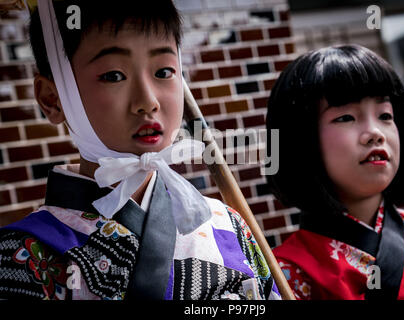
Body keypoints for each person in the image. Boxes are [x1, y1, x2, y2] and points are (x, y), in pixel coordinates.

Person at [0, 0, 280, 300]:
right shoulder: (20, 254)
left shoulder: (229, 225)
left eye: (163, 72)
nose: (148, 101)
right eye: (114, 75)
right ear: (52, 99)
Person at [267, 44, 404, 300]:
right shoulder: (285, 275)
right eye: (345, 118)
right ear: (300, 140)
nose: (375, 132)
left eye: (385, 115)